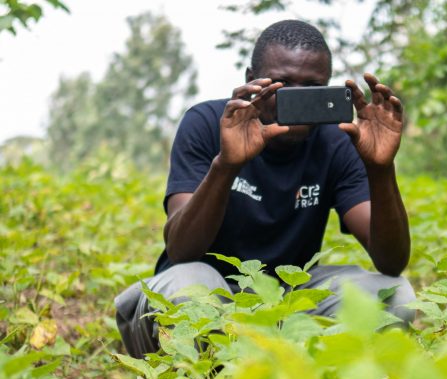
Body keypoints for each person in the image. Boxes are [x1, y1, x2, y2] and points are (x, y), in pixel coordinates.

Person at [115, 19, 415, 359]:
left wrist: (381, 169)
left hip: (283, 302)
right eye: (282, 83)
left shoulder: (336, 141)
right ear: (250, 80)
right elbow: (181, 250)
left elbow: (391, 262)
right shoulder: (206, 124)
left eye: (312, 85)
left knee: (395, 296)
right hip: (209, 288)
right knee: (191, 289)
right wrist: (226, 166)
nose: (296, 97)